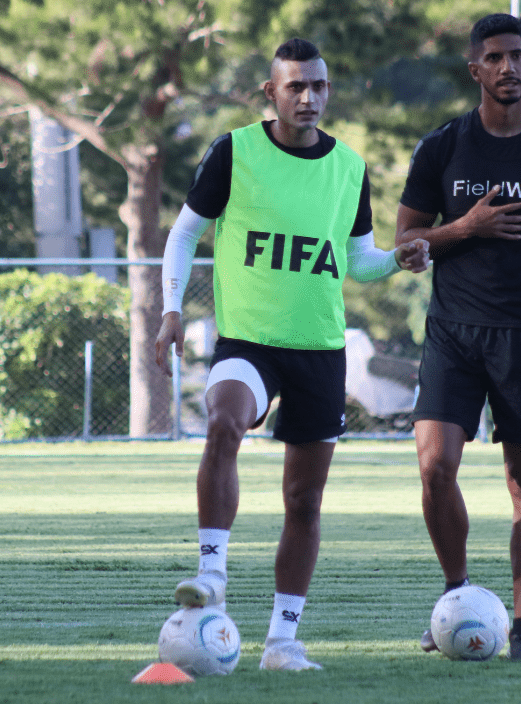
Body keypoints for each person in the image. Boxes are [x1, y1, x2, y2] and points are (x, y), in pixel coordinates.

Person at [154, 38, 430, 671]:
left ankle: (282, 642)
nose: (309, 98)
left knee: (303, 504)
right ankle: (213, 572)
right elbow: (185, 231)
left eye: (319, 87)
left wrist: (398, 259)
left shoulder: (348, 167)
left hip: (319, 351)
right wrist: (171, 310)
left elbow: (357, 260)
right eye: (296, 87)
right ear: (270, 94)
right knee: (224, 420)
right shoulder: (236, 150)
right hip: (249, 341)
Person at [394, 14, 521, 662]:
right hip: (451, 332)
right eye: (494, 57)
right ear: (474, 70)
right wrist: (466, 227)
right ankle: (457, 600)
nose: (507, 67)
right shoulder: (441, 148)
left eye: (517, 56)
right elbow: (405, 245)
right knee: (434, 468)